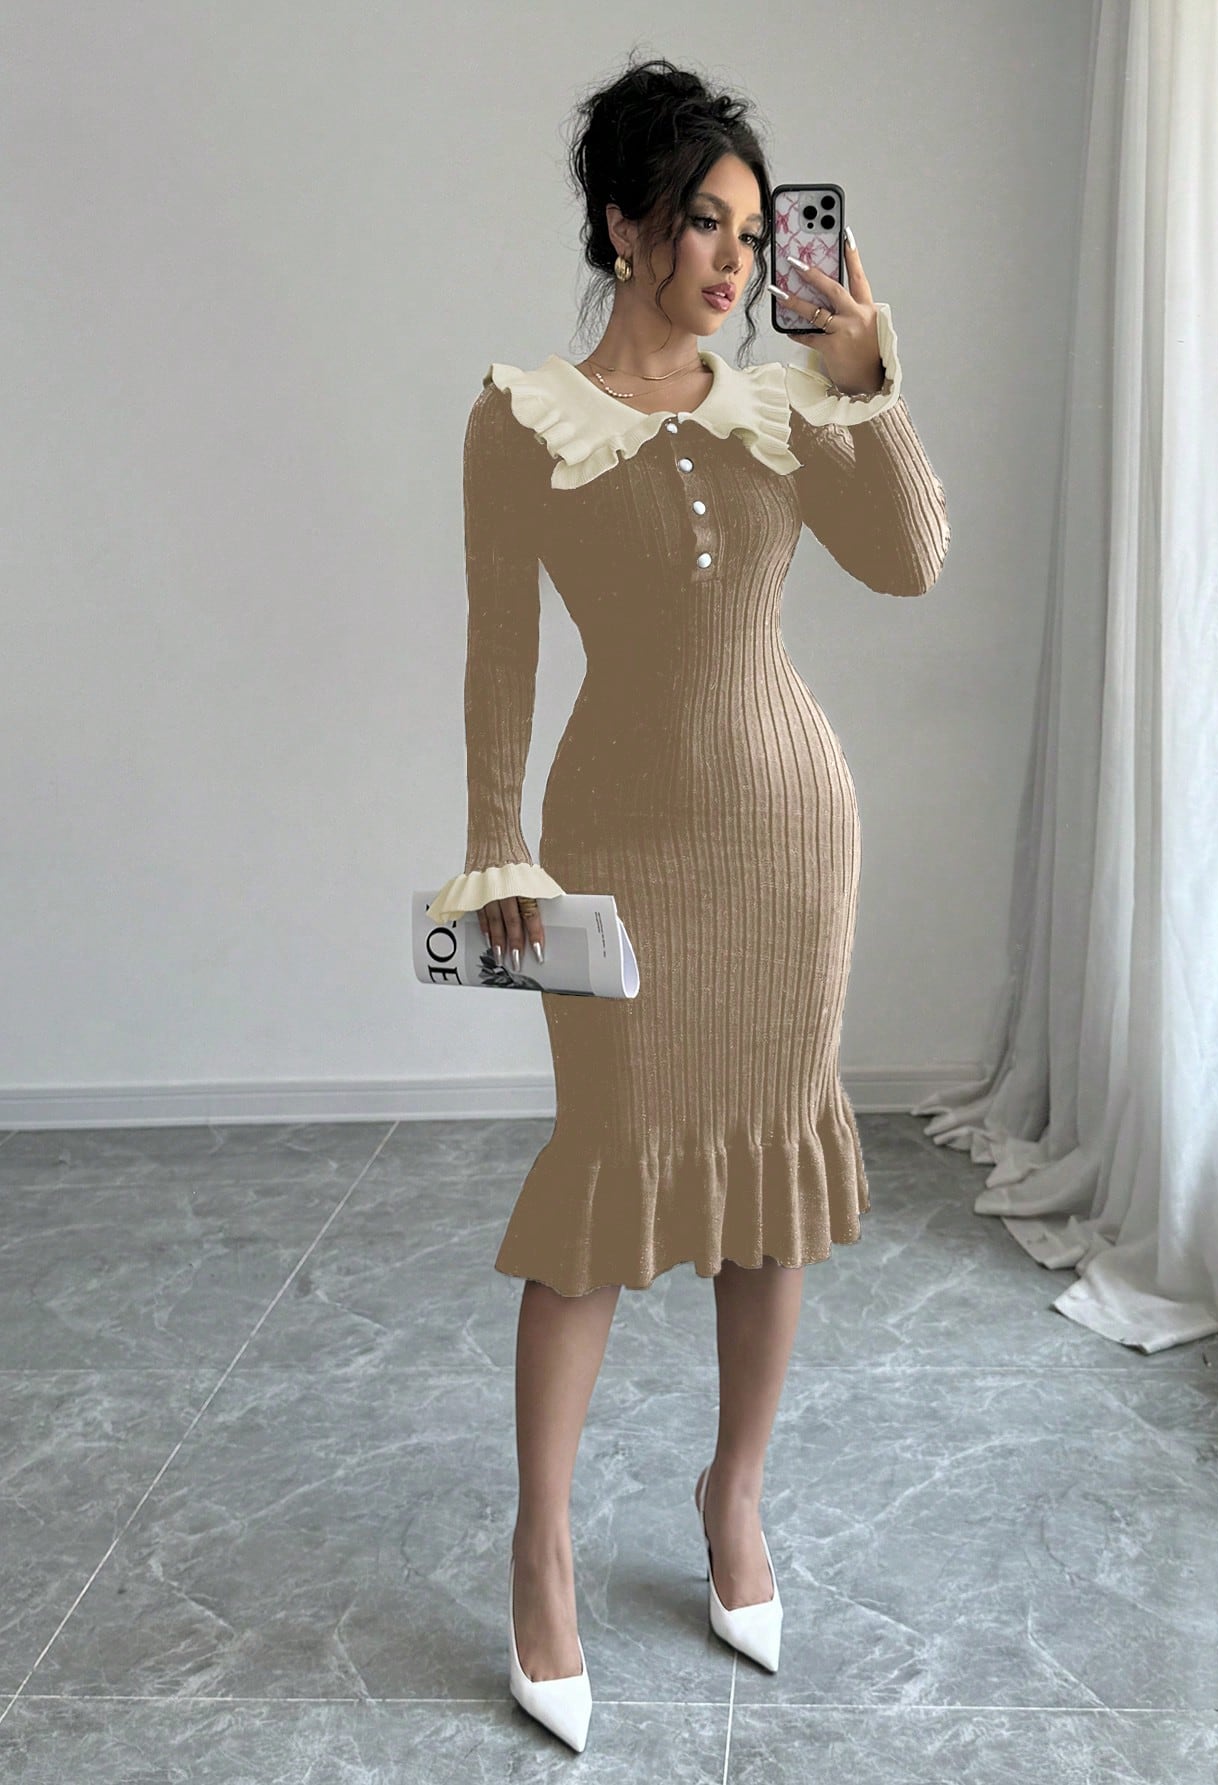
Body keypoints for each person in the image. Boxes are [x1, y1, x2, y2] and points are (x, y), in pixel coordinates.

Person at [427, 55, 951, 1753]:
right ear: (622, 226)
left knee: (769, 1187)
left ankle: (735, 1496)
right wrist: (497, 842)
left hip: (793, 837)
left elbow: (914, 560)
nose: (734, 259)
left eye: (750, 228)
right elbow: (501, 648)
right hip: (620, 844)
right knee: (602, 1185)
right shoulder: (523, 418)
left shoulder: (785, 405)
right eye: (702, 224)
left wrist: (866, 384)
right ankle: (543, 1550)